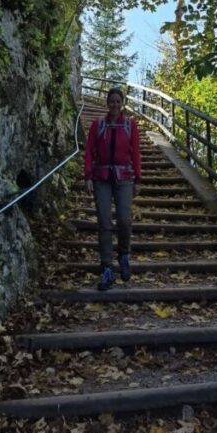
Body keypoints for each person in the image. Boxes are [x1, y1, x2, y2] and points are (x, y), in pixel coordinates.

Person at [84, 87, 141, 290]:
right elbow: (89, 151)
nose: (115, 105)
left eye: (118, 101)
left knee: (125, 220)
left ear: (122, 104)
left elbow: (135, 153)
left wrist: (138, 179)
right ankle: (106, 267)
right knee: (104, 222)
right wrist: (88, 176)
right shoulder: (97, 125)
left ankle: (124, 254)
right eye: (112, 101)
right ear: (107, 103)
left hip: (124, 177)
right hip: (101, 178)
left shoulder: (130, 125)